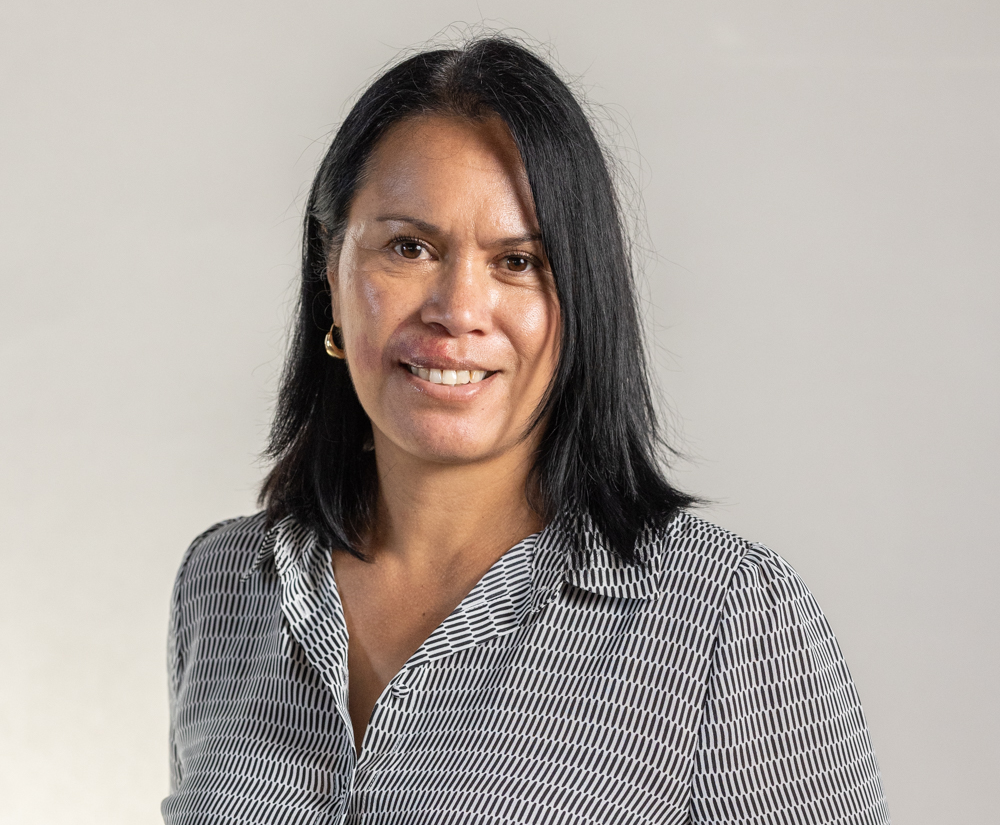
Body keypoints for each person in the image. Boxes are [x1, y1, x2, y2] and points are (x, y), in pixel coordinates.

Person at [162, 36, 890, 824]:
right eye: (409, 247)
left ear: (581, 298)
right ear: (329, 270)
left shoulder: (727, 620)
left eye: (517, 262)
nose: (458, 311)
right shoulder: (224, 584)